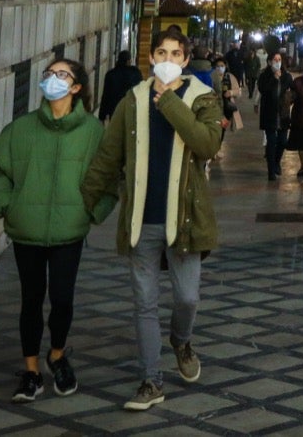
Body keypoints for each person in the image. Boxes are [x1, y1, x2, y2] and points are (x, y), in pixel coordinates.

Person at [80, 26, 223, 412]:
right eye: (160, 53)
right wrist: (85, 202)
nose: (166, 60)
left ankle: (181, 340)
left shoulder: (202, 98)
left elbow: (207, 144)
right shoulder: (133, 99)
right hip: (141, 220)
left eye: (175, 54)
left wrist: (169, 102)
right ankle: (151, 380)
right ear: (151, 57)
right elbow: (109, 156)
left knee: (187, 298)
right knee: (143, 304)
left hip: (185, 222)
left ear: (185, 60)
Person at [0, 58, 112, 403]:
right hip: (27, 231)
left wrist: (91, 211)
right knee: (31, 300)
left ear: (76, 87)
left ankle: (56, 354)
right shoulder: (20, 130)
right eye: (49, 74)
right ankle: (31, 371)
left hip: (70, 232)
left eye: (62, 74)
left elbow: (110, 176)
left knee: (63, 299)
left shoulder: (93, 132)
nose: (53, 79)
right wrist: (8, 207)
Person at [257, 51, 289, 179]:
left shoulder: (286, 75)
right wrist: (274, 79)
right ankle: (271, 170)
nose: (277, 62)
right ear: (269, 62)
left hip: (283, 113)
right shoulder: (264, 75)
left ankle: (276, 162)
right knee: (271, 141)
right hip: (269, 112)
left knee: (282, 141)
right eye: (275, 60)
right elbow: (263, 89)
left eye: (279, 59)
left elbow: (291, 89)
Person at [98, 51, 142, 123]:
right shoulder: (136, 73)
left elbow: (106, 96)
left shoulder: (110, 74)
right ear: (128, 61)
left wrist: (102, 116)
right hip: (131, 109)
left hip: (114, 111)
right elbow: (141, 91)